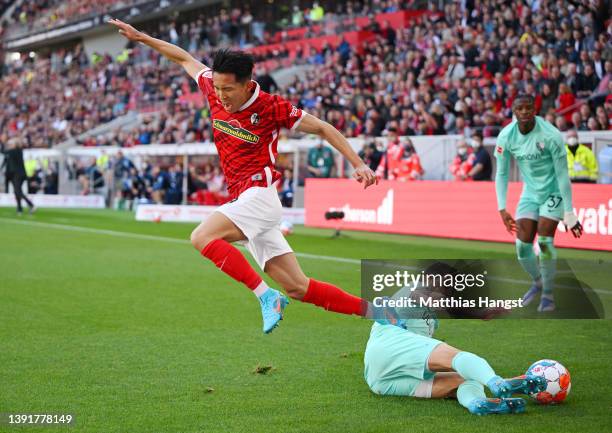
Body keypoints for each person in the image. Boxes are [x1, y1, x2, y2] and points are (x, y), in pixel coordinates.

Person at [110, 18, 401, 334]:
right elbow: (184, 58)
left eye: (228, 89)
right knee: (298, 287)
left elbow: (322, 127)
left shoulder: (270, 107)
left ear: (248, 85)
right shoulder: (212, 85)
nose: (221, 96)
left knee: (201, 237)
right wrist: (142, 38)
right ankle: (379, 312)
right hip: (245, 199)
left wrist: (357, 163)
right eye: (217, 88)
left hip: (260, 195)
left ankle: (265, 297)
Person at [364, 285, 546, 415]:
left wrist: (480, 313)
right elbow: (416, 294)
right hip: (389, 343)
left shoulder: (431, 317)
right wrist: (427, 298)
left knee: (466, 378)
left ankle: (476, 402)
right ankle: (497, 382)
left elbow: (452, 307)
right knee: (458, 357)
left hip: (380, 381)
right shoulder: (416, 289)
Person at [495, 94, 583, 313]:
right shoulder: (506, 136)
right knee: (522, 246)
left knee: (544, 241)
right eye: (519, 108)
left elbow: (563, 175)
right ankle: (538, 281)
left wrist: (569, 212)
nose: (524, 112)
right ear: (513, 111)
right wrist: (502, 207)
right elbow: (502, 173)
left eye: (528, 108)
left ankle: (548, 295)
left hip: (553, 191)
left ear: (535, 110)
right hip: (530, 193)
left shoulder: (551, 135)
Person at [2, 138, 35, 215]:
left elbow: (3, 151)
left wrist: (3, 143)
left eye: (10, 144)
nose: (9, 145)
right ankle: (19, 208)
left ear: (15, 145)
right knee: (17, 191)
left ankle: (31, 205)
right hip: (13, 175)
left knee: (18, 191)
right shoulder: (11, 153)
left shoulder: (17, 151)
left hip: (18, 175)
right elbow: (5, 162)